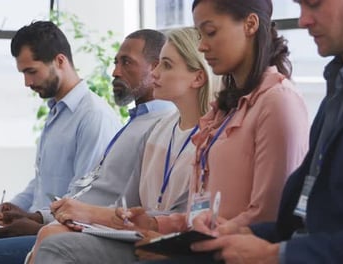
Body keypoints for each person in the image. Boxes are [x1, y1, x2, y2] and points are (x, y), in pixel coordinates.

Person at [143, 0, 343, 263]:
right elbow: (309, 220)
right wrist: (246, 233)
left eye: (314, 5)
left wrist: (276, 254)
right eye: (300, 6)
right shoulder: (341, 85)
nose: (303, 20)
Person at [0, 28, 175, 264]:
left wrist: (37, 223)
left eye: (31, 71)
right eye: (115, 62)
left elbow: (96, 198)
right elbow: (45, 183)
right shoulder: (125, 121)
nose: (27, 82)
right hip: (54, 222)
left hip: (72, 227)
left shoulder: (99, 117)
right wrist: (15, 210)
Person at [30, 26, 216, 264]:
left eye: (166, 65)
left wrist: (88, 215)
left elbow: (190, 216)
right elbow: (126, 204)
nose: (155, 73)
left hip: (171, 242)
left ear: (198, 77)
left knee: (54, 241)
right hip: (137, 235)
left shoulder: (212, 136)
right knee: (51, 235)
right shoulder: (158, 130)